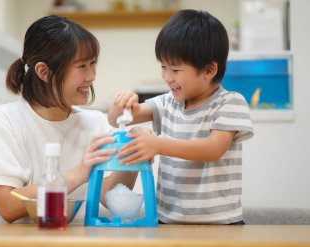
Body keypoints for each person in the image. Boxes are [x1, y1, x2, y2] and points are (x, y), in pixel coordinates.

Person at [0, 15, 138, 224]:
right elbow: (8, 206)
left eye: (92, 63)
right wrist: (78, 174)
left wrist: (134, 155)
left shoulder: (97, 123)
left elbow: (111, 197)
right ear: (43, 71)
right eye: (82, 66)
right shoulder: (3, 120)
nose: (91, 76)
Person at [108, 10, 254, 224]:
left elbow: (214, 149)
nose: (167, 77)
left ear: (209, 70)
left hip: (221, 223)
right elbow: (119, 118)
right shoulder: (168, 102)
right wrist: (121, 103)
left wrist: (157, 144)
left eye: (175, 69)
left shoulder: (230, 103)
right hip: (167, 221)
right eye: (163, 67)